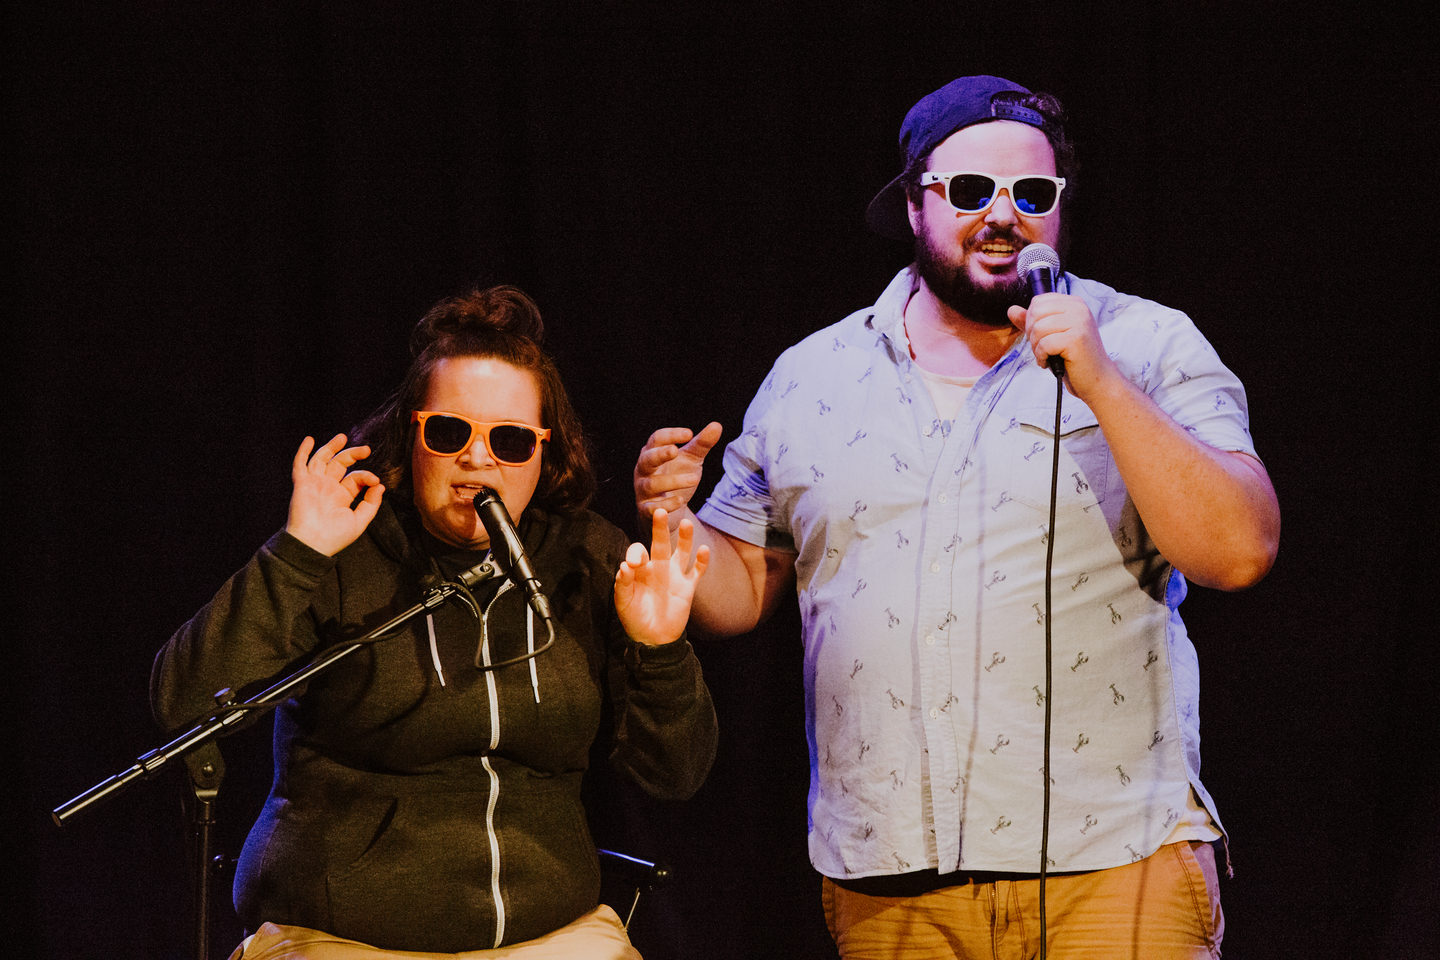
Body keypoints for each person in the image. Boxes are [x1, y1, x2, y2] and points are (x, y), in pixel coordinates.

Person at [634, 76, 1280, 958]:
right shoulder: (811, 377)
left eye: (1032, 194)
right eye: (971, 191)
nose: (1002, 215)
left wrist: (1098, 378)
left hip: (1113, 865)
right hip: (894, 886)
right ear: (914, 206)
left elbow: (1239, 549)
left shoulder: (1145, 345)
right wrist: (678, 526)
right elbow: (746, 586)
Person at [152, 286, 717, 959]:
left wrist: (659, 650)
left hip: (550, 937)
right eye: (450, 432)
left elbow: (676, 776)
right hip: (342, 937)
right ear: (412, 434)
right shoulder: (343, 551)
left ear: (546, 452)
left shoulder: (585, 559)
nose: (477, 459)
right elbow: (183, 704)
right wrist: (294, 556)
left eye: (509, 441)